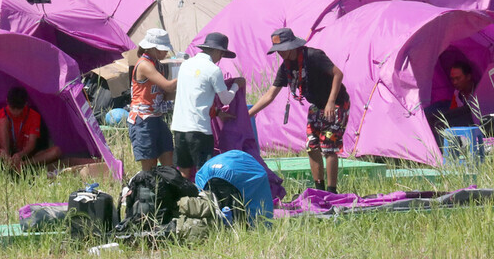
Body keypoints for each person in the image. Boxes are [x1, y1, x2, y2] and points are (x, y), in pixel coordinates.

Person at [248, 28, 349, 194]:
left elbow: (338, 74)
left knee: (329, 146)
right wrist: (248, 115)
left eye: (282, 50)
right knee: (312, 146)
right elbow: (270, 94)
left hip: (336, 103)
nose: (280, 53)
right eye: (277, 51)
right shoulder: (286, 67)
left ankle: (332, 192)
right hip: (316, 106)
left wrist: (331, 102)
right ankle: (320, 190)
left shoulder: (313, 56)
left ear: (292, 46)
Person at [170, 32, 244, 180]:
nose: (220, 59)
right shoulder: (213, 70)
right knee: (204, 171)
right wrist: (236, 85)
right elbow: (226, 99)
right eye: (222, 54)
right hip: (199, 131)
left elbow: (194, 98)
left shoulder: (185, 65)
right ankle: (203, 201)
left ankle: (185, 201)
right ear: (218, 51)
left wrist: (216, 112)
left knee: (184, 172)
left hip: (179, 128)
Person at [127, 28, 178, 172]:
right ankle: (150, 191)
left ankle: (167, 187)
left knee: (168, 156)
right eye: (163, 50)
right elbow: (168, 86)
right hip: (142, 120)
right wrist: (186, 74)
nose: (166, 53)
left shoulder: (157, 64)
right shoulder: (144, 64)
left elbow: (166, 95)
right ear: (153, 49)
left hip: (156, 118)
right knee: (150, 167)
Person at [0, 87, 61, 170]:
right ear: (7, 102)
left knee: (57, 151)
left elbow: (32, 144)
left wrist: (20, 154)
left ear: (25, 104)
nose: (15, 112)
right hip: (5, 153)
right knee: (2, 121)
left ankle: (22, 165)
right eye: (13, 108)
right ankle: (7, 161)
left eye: (19, 109)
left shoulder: (33, 116)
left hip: (25, 155)